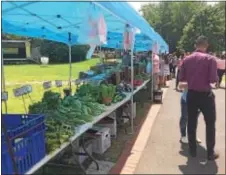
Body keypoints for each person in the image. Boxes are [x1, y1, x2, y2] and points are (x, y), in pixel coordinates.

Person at [179, 36, 219, 160]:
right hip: (205, 96)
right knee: (210, 124)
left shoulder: (186, 59)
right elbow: (213, 79)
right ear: (206, 46)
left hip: (191, 94)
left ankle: (192, 151)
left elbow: (181, 78)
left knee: (191, 122)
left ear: (196, 45)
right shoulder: (210, 59)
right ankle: (210, 153)